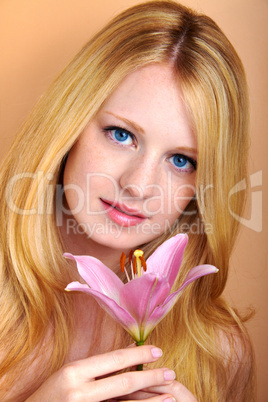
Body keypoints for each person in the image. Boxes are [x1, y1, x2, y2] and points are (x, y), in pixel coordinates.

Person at [0, 1, 255, 400]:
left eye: (181, 160)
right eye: (121, 134)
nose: (138, 186)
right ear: (70, 123)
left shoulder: (218, 353)